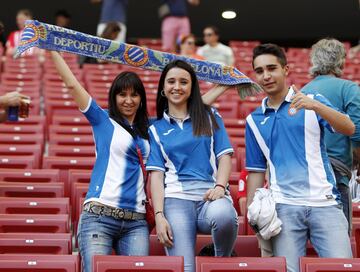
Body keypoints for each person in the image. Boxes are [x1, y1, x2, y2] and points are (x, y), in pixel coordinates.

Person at [50, 49, 230, 272]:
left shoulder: (151, 128)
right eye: (122, 95)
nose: (128, 100)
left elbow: (186, 106)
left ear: (141, 99)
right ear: (113, 97)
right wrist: (53, 50)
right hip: (99, 216)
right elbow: (72, 86)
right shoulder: (102, 120)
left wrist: (222, 87)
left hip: (135, 221)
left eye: (134, 95)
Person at [246, 43, 354, 272]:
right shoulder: (253, 120)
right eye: (259, 71)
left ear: (286, 70)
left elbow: (349, 128)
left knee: (343, 269)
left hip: (325, 204)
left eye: (272, 68)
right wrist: (256, 223)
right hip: (284, 209)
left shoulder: (311, 100)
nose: (266, 75)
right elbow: (255, 172)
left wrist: (315, 105)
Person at [146, 60, 238, 272]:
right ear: (163, 88)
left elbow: (224, 157)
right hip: (176, 201)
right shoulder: (155, 128)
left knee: (225, 215)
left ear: (192, 87)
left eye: (183, 82)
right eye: (171, 81)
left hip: (210, 196)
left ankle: (221, 264)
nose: (177, 87)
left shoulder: (210, 116)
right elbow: (157, 177)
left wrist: (220, 187)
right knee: (185, 268)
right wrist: (159, 216)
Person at [302, 38, 360, 233]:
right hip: (336, 174)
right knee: (339, 236)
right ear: (341, 61)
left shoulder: (303, 91)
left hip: (305, 175)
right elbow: (357, 131)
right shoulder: (349, 88)